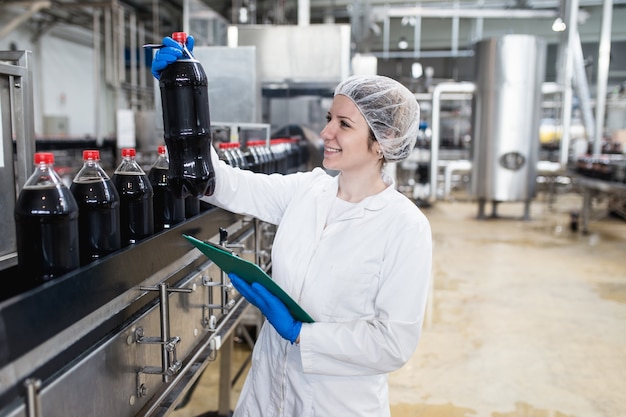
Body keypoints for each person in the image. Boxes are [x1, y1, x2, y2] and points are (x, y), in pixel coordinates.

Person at [152, 36, 432, 417]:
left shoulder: (404, 226)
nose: (326, 133)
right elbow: (223, 184)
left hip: (336, 404)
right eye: (329, 119)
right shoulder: (308, 190)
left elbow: (393, 343)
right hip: (268, 392)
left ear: (384, 141)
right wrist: (181, 102)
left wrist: (304, 334)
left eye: (344, 124)